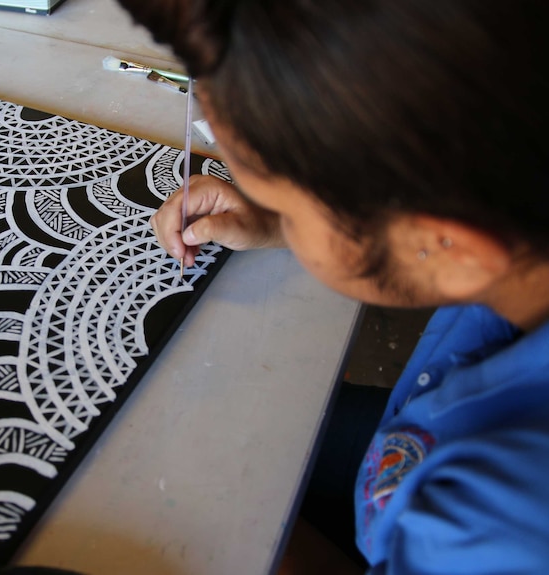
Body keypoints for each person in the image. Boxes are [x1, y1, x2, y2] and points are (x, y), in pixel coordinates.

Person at [116, 1, 549, 573]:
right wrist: (290, 224)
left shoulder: (489, 528)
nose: (273, 210)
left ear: (450, 248)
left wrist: (225, 534)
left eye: (286, 205)